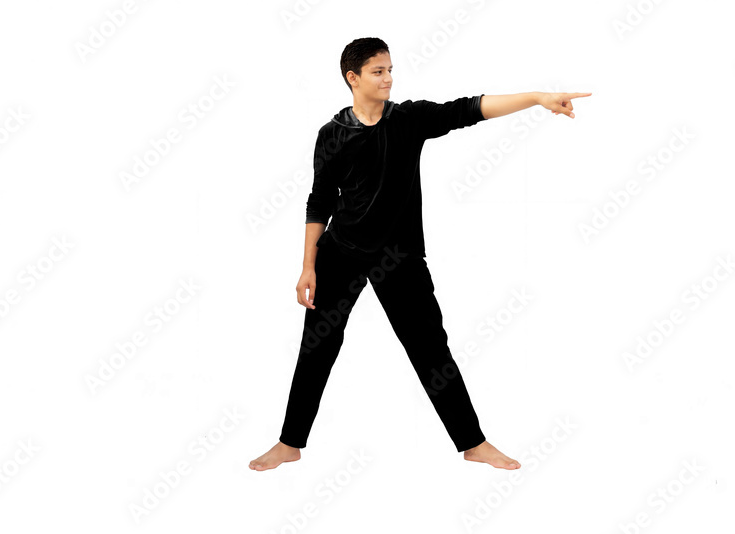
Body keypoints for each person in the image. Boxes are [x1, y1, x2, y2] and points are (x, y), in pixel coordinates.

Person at [249, 37, 590, 472]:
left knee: (431, 351)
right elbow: (320, 200)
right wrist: (308, 266)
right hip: (340, 253)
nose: (389, 78)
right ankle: (289, 443)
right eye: (378, 71)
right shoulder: (332, 135)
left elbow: (471, 108)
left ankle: (473, 443)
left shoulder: (409, 119)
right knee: (316, 349)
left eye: (390, 69)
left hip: (399, 258)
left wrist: (538, 98)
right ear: (352, 78)